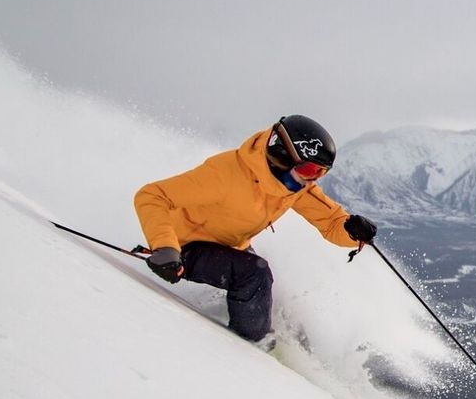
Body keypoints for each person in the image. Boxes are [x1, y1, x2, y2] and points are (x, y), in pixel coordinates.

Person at [133, 115, 378, 343]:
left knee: (279, 302)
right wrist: (165, 247)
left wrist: (352, 231)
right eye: (309, 170)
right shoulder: (226, 174)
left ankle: (278, 341)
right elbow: (152, 195)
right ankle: (251, 349)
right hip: (182, 247)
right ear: (282, 155)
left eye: (320, 173)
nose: (312, 180)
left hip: (226, 245)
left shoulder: (293, 187)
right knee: (256, 275)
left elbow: (331, 222)